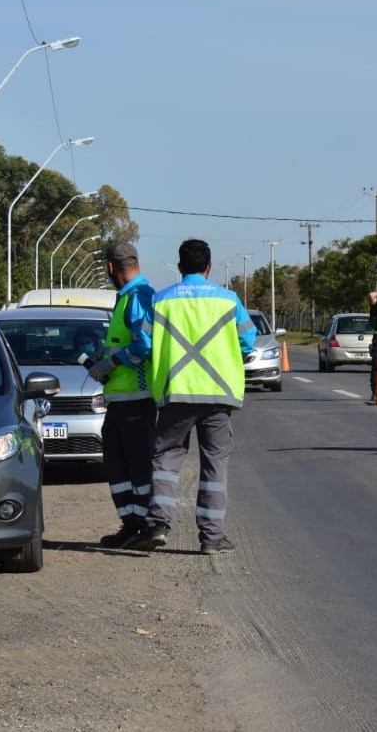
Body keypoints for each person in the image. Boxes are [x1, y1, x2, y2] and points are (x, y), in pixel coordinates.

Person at [123, 238, 256, 555]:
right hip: (218, 397)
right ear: (209, 267)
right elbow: (248, 343)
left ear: (180, 268)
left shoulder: (160, 301)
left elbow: (142, 345)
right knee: (215, 465)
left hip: (176, 394)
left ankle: (159, 525)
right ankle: (211, 538)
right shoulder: (228, 300)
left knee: (166, 461)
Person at [87, 241, 157, 549]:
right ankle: (131, 524)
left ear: (110, 268)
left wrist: (111, 362)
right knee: (118, 467)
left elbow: (144, 346)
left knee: (137, 467)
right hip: (119, 399)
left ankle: (142, 525)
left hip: (137, 400)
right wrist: (103, 356)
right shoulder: (127, 297)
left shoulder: (139, 297)